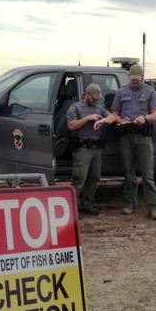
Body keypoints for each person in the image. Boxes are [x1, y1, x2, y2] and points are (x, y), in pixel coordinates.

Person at [110, 63, 156, 220]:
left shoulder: (150, 92)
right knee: (129, 172)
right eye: (132, 79)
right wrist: (120, 120)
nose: (134, 82)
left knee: (147, 174)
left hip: (143, 137)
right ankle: (130, 204)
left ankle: (153, 207)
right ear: (129, 77)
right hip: (126, 136)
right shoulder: (122, 92)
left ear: (142, 78)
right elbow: (114, 112)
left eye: (137, 80)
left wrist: (144, 117)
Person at [67, 83, 116, 215]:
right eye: (93, 98)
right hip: (82, 148)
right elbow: (71, 126)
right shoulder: (75, 108)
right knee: (79, 179)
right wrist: (87, 118)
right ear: (87, 94)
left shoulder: (99, 108)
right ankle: (72, 208)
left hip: (96, 149)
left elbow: (113, 117)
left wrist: (103, 121)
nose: (95, 100)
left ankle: (86, 205)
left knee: (94, 178)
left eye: (97, 99)